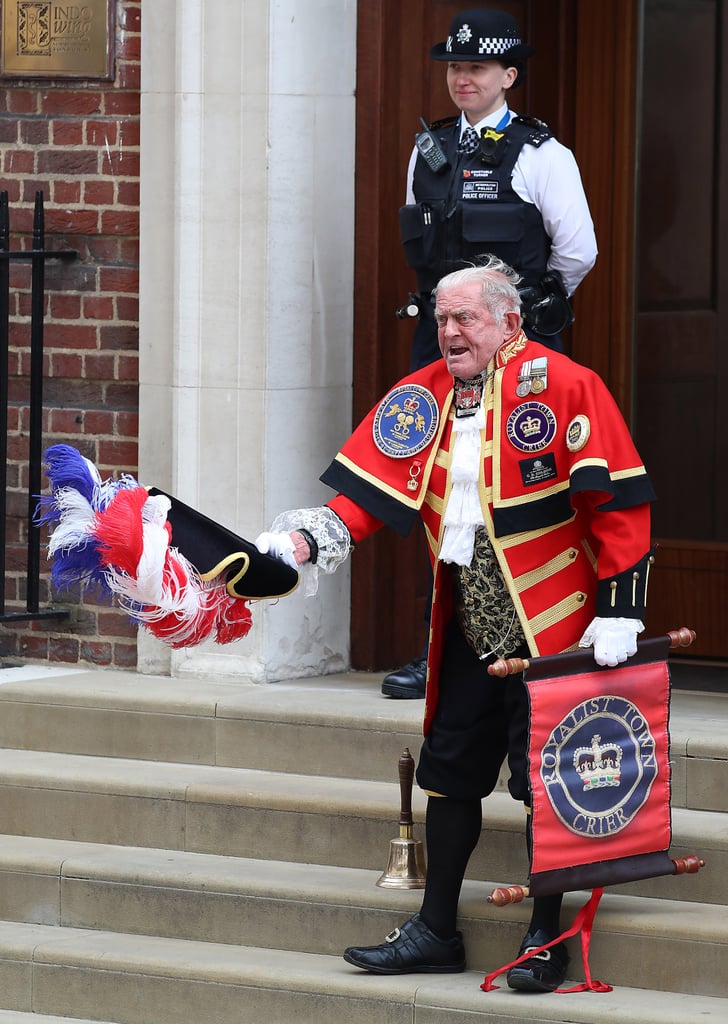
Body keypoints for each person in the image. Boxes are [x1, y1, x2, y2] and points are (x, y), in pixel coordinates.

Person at [256, 257, 655, 991]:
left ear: (509, 320)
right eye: (440, 319)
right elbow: (364, 497)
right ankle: (436, 929)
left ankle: (547, 936)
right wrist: (299, 542)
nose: (448, 332)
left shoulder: (567, 384)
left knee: (551, 782)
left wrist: (620, 610)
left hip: (557, 629)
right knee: (449, 774)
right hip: (470, 625)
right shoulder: (422, 396)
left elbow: (620, 506)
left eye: (463, 317)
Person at [383, 6, 598, 699]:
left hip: (519, 346)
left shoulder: (542, 155)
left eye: (476, 67)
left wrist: (520, 317)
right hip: (442, 347)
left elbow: (577, 252)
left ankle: (536, 640)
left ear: (509, 75)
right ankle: (439, 648)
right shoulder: (430, 150)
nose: (462, 78)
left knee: (522, 485)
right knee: (443, 489)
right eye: (454, 67)